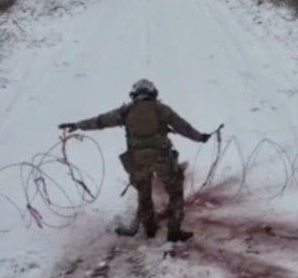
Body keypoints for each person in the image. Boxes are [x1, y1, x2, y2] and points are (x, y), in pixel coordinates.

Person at [58, 79, 213, 242]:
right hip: (162, 158)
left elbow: (101, 121)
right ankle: (174, 231)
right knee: (175, 192)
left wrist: (78, 125)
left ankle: (150, 229)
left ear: (134, 94)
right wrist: (200, 137)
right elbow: (183, 127)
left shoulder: (126, 111)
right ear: (153, 93)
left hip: (137, 161)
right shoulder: (161, 109)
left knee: (143, 195)